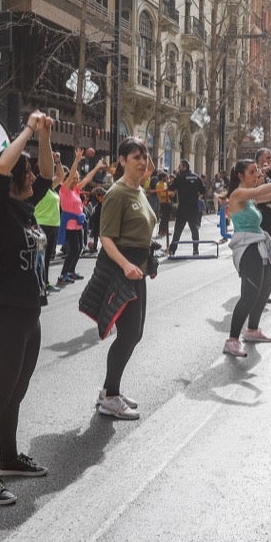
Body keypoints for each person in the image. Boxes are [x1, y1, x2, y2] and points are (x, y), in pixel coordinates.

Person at [0, 112, 58, 506]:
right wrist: (28, 130)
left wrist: (46, 137)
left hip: (30, 314)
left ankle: (8, 457)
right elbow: (3, 166)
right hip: (5, 314)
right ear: (13, 181)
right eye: (28, 175)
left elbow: (48, 173)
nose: (34, 179)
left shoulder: (24, 208)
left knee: (16, 393)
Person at [91, 138, 158, 420]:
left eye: (144, 157)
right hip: (123, 271)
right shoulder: (117, 193)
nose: (142, 162)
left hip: (138, 270)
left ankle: (110, 390)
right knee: (128, 334)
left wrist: (146, 262)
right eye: (135, 157)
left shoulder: (139, 189)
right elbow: (105, 237)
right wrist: (126, 265)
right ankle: (109, 396)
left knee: (136, 334)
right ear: (121, 160)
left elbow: (149, 169)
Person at [220, 158, 271, 357]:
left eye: (256, 172)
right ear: (240, 176)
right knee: (249, 295)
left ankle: (252, 330)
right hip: (247, 247)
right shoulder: (238, 194)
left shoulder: (249, 198)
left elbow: (268, 195)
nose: (256, 176)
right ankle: (232, 340)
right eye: (252, 172)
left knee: (265, 288)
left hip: (258, 245)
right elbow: (261, 191)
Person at [61, 149, 105, 282]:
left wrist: (97, 167)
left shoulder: (76, 190)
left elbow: (87, 178)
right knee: (74, 249)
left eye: (77, 178)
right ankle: (63, 274)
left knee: (79, 248)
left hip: (79, 224)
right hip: (69, 224)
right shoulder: (65, 189)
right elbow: (71, 175)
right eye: (73, 178)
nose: (75, 180)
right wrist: (77, 160)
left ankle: (71, 271)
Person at [168, 159, 207, 255]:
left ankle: (172, 250)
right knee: (194, 229)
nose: (178, 168)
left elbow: (171, 187)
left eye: (180, 166)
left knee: (178, 230)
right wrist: (196, 195)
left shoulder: (180, 177)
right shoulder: (196, 177)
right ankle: (195, 250)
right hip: (193, 207)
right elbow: (203, 190)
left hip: (183, 208)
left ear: (184, 167)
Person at [33, 157, 62, 288]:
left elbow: (61, 176)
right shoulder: (36, 186)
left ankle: (45, 282)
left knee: (48, 257)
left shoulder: (50, 186)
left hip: (54, 225)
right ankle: (39, 284)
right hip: (40, 226)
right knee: (40, 257)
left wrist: (57, 161)